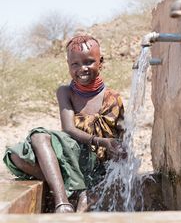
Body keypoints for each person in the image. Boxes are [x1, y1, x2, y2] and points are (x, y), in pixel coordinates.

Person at [3, 35, 125, 213]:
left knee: (39, 138)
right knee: (19, 153)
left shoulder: (113, 98)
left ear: (101, 62)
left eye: (89, 62)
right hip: (71, 154)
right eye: (75, 64)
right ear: (68, 64)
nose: (82, 68)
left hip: (95, 166)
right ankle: (66, 200)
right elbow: (68, 129)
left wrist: (116, 152)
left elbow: (122, 140)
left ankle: (68, 195)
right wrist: (101, 141)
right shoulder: (65, 92)